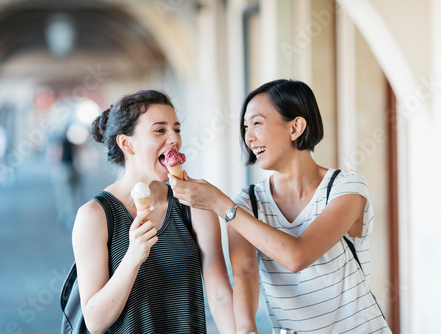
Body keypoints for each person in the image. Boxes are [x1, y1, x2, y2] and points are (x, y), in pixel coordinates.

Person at [169, 79, 391, 333]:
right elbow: (244, 272)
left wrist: (221, 205)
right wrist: (246, 327)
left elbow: (298, 256)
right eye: (245, 127)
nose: (249, 138)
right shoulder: (248, 203)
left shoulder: (346, 187)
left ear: (296, 127)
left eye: (257, 123)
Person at [72, 90, 235, 334]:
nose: (174, 139)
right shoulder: (95, 216)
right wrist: (133, 256)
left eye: (177, 129)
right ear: (126, 143)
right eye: (160, 130)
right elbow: (95, 321)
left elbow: (220, 294)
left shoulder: (193, 205)